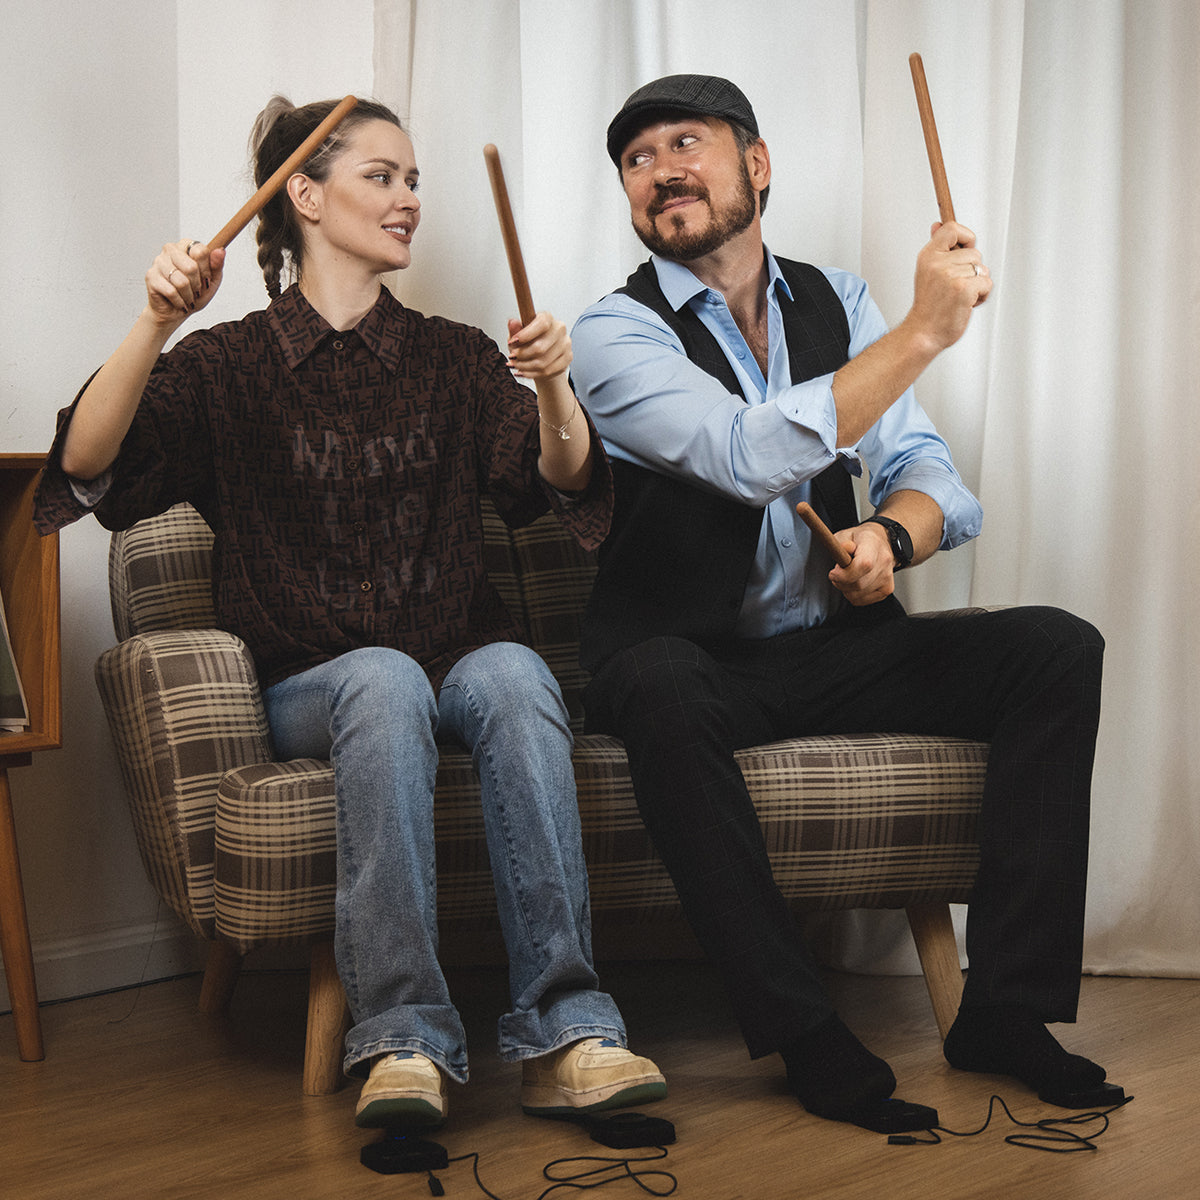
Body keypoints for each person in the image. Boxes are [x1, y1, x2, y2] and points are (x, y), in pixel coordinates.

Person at [33, 95, 665, 1131]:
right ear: (306, 197)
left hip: (457, 659)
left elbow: (558, 478)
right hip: (313, 683)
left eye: (416, 179)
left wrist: (556, 390)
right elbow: (89, 463)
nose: (411, 199)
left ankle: (568, 1034)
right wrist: (157, 319)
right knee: (381, 676)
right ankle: (405, 1037)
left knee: (515, 671)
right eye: (384, 176)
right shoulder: (229, 364)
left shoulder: (458, 358)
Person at [569, 74, 1119, 1131]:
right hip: (692, 662)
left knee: (1057, 647)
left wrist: (888, 537)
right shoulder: (611, 335)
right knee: (659, 686)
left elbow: (930, 473)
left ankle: (1004, 1010)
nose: (662, 169)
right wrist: (923, 333)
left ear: (758, 165)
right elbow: (741, 456)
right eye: (638, 159)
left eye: (688, 142)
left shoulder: (842, 302)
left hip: (830, 651)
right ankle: (805, 1033)